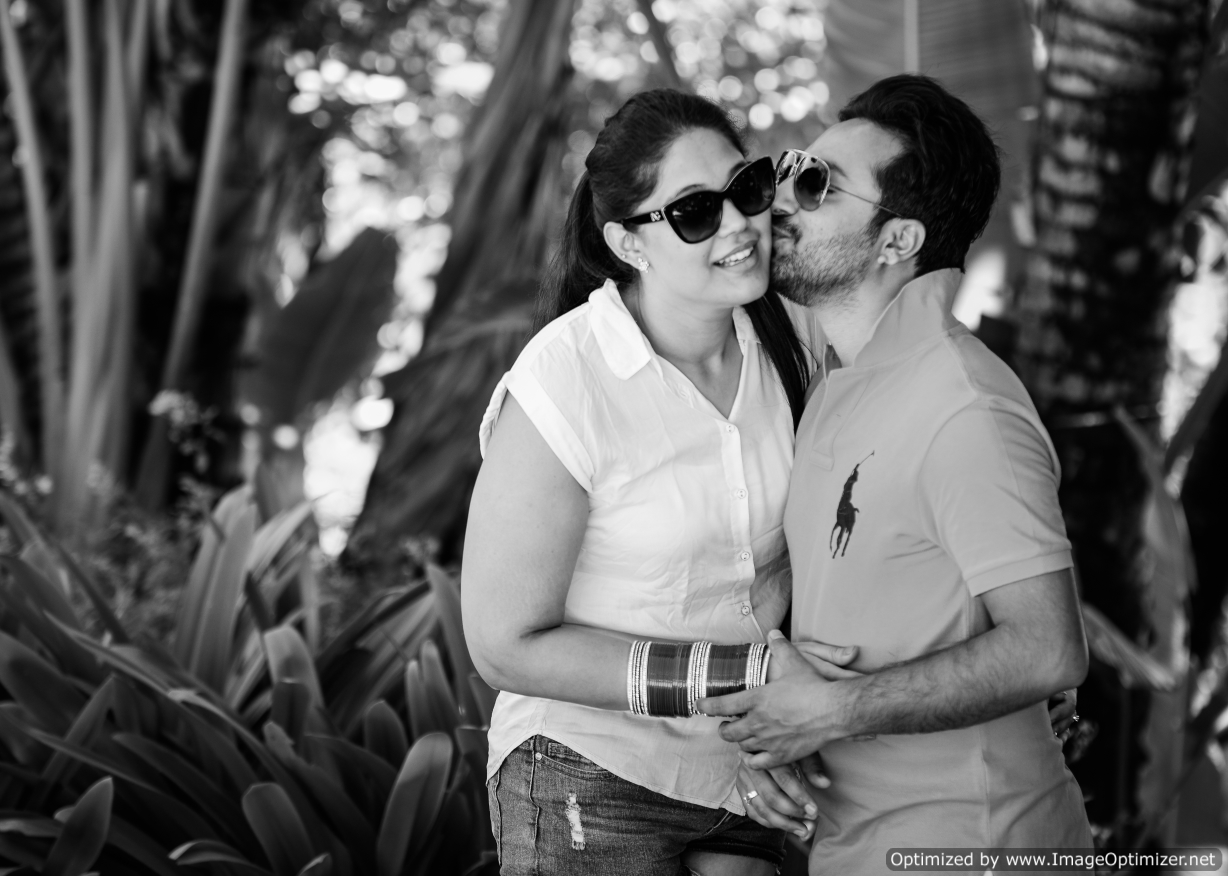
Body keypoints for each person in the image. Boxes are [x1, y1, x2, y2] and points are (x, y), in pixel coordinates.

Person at [698, 74, 1092, 873]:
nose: (781, 199)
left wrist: (832, 711)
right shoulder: (836, 388)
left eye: (818, 185)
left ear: (897, 241)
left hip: (979, 841)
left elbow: (1049, 649)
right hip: (859, 843)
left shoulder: (965, 407)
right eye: (790, 169)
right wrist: (778, 729)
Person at [461, 88, 845, 876]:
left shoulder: (799, 339)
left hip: (747, 764)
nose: (738, 224)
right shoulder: (565, 380)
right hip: (589, 766)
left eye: (746, 188)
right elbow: (505, 646)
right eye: (695, 212)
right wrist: (753, 680)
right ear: (627, 242)